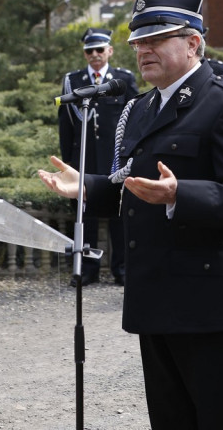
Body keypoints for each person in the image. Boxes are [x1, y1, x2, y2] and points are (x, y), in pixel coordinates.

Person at [41, 0, 223, 430]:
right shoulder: (140, 107)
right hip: (154, 295)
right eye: (138, 43)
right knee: (170, 420)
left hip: (207, 301)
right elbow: (133, 188)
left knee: (221, 420)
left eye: (156, 40)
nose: (143, 50)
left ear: (193, 44)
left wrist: (180, 195)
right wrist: (86, 187)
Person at [58, 27, 139, 285]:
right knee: (86, 215)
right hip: (85, 158)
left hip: (116, 159)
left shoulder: (122, 79)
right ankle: (87, 269)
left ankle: (122, 268)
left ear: (110, 51)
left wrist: (131, 155)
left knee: (119, 214)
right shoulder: (73, 81)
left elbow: (136, 118)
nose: (94, 54)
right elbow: (65, 124)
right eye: (89, 50)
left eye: (99, 49)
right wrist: (67, 160)